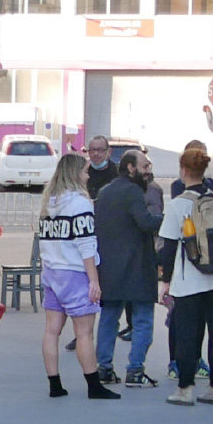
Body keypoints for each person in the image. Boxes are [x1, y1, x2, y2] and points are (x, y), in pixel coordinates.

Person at [36, 155, 119, 400]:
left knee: (51, 331)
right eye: (84, 170)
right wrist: (94, 280)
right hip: (75, 273)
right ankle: (94, 386)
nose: (88, 175)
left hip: (52, 272)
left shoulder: (48, 204)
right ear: (74, 174)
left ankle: (55, 384)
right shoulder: (81, 204)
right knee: (84, 333)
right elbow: (86, 245)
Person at [158, 148, 213, 406]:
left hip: (189, 280)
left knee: (188, 333)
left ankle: (185, 388)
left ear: (183, 171)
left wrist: (165, 281)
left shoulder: (178, 204)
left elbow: (168, 248)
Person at [92, 150, 163, 388]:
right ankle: (135, 370)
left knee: (109, 319)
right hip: (136, 267)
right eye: (144, 166)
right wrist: (166, 218)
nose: (148, 171)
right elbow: (145, 222)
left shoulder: (105, 192)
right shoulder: (133, 191)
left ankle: (104, 369)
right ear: (130, 167)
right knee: (142, 319)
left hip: (109, 269)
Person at [84, 135, 119, 199]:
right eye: (92, 150)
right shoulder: (83, 174)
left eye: (100, 150)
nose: (95, 153)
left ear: (109, 152)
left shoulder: (117, 174)